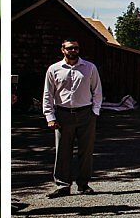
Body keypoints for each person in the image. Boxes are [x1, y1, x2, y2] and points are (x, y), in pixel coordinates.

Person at [41, 38, 101, 198]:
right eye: (70, 48)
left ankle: (83, 184)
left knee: (86, 150)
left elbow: (97, 90)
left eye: (76, 48)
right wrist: (49, 116)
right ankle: (62, 185)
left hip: (85, 113)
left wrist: (95, 111)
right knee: (62, 150)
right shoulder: (54, 69)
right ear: (63, 50)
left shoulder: (89, 68)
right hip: (63, 113)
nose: (73, 51)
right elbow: (48, 94)